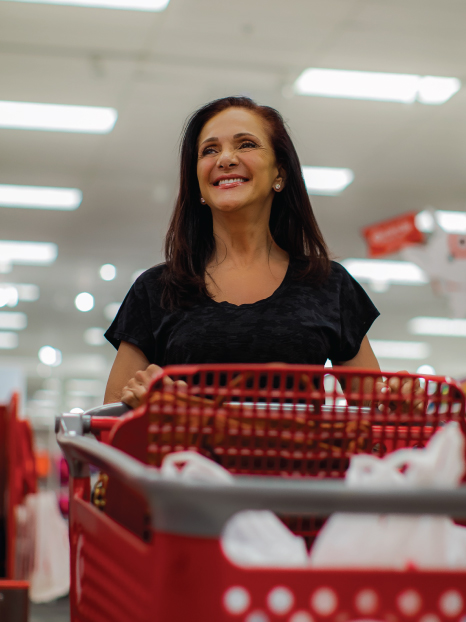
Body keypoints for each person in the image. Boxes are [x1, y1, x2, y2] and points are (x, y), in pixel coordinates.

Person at [103, 96, 383, 407]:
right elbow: (111, 423)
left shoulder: (329, 284)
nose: (225, 158)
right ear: (197, 183)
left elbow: (374, 418)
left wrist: (398, 405)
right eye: (209, 150)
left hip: (300, 457)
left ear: (280, 173)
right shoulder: (155, 290)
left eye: (246, 144)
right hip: (184, 458)